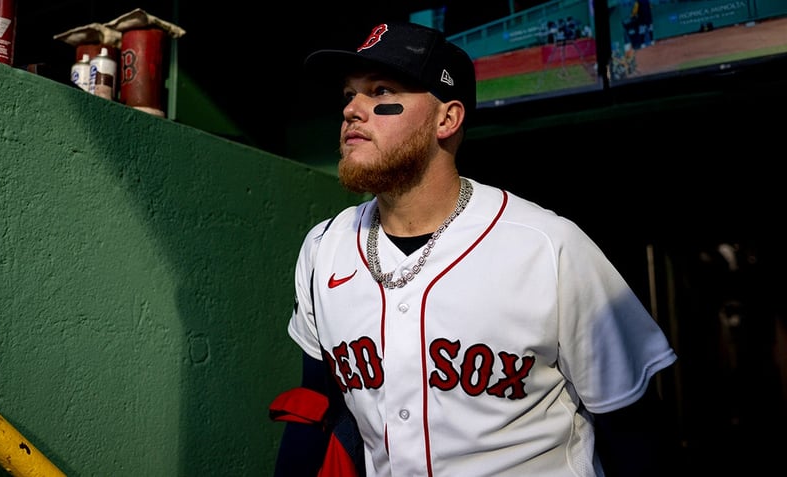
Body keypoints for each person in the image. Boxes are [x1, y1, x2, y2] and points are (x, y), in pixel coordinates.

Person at [272, 21, 678, 477]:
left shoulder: (548, 246)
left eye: (381, 91)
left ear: (447, 120)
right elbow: (314, 406)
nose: (353, 110)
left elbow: (632, 426)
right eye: (350, 94)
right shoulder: (324, 248)